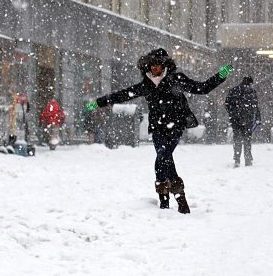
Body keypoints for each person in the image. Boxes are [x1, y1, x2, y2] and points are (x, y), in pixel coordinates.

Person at [85, 48, 232, 214]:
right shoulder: (146, 85)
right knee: (163, 158)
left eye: (158, 66)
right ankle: (172, 200)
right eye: (152, 66)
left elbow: (202, 88)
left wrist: (221, 76)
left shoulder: (176, 79)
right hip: (157, 128)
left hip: (175, 126)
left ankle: (171, 200)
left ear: (164, 65)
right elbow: (122, 95)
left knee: (163, 156)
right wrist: (98, 103)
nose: (155, 70)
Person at [224, 75, 261, 167]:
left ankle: (237, 159)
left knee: (237, 138)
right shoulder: (252, 91)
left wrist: (232, 113)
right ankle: (248, 159)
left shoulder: (233, 90)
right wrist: (257, 118)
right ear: (250, 82)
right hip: (248, 119)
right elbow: (256, 106)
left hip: (235, 119)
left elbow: (227, 104)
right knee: (247, 139)